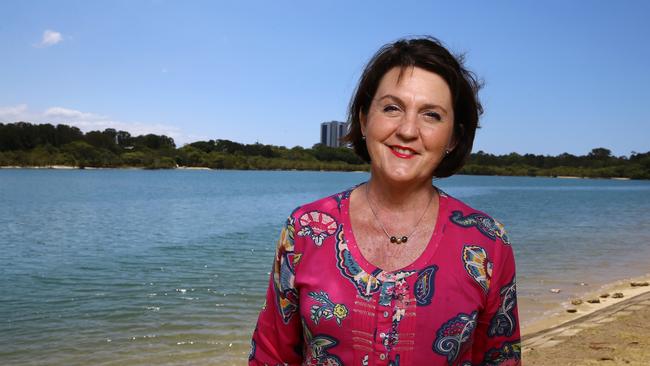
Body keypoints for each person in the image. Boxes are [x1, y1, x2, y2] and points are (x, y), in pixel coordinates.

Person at [249, 37, 520, 366]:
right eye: (392, 108)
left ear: (454, 138)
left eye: (431, 115)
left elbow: (501, 359)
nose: (407, 130)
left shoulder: (487, 241)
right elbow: (270, 355)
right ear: (363, 120)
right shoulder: (306, 230)